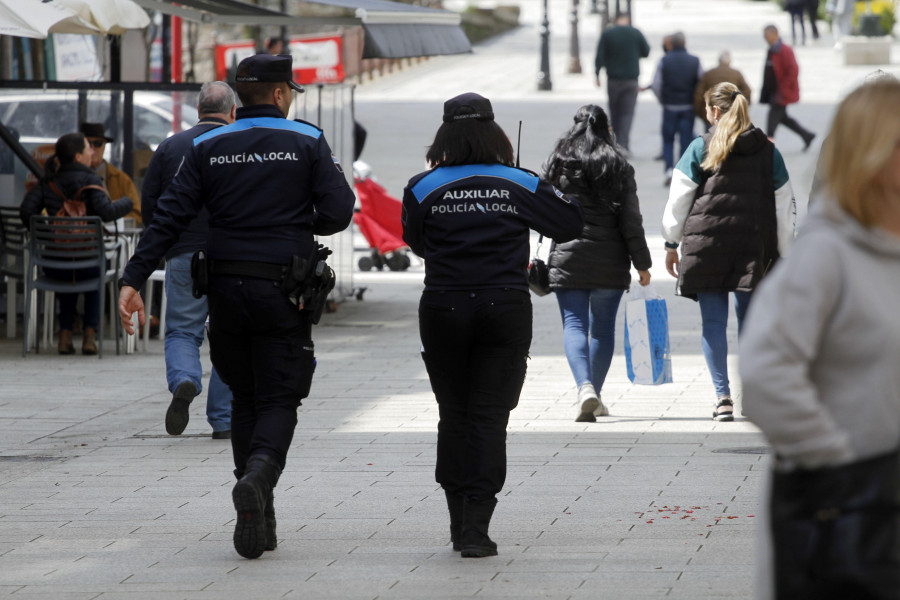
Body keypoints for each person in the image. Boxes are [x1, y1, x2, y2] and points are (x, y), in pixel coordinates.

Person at [117, 54, 355, 559]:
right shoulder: (307, 140)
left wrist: (133, 278)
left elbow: (168, 216)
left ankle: (259, 514)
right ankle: (260, 473)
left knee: (244, 398)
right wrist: (292, 218)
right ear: (279, 93)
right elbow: (337, 212)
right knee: (280, 397)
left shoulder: (205, 143)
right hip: (283, 290)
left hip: (223, 288)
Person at [401, 92, 584, 558]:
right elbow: (569, 222)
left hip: (443, 305)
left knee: (453, 414)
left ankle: (457, 519)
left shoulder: (422, 186)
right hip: (503, 305)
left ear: (444, 135)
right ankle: (476, 530)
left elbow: (415, 242)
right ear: (496, 133)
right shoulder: (517, 180)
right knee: (488, 417)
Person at [739, 79, 900, 600]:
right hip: (850, 520)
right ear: (873, 152)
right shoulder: (826, 254)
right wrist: (840, 464)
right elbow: (766, 375)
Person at [661, 82, 795, 422]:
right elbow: (784, 205)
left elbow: (678, 201)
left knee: (714, 323)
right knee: (751, 323)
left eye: (707, 110)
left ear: (715, 112)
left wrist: (671, 242)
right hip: (753, 247)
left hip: (707, 247)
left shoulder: (699, 147)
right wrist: (786, 252)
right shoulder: (767, 150)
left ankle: (723, 398)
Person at [542, 105, 652, 422]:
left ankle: (585, 388)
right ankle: (594, 396)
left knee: (575, 324)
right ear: (607, 129)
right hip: (610, 260)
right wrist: (642, 263)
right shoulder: (618, 165)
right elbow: (631, 220)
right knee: (602, 330)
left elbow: (542, 209)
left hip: (568, 256)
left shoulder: (557, 163)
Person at [141, 81, 235, 440]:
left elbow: (151, 204)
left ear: (197, 111)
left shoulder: (170, 146)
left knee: (182, 331)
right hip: (230, 257)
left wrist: (164, 246)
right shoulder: (237, 145)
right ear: (232, 112)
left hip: (183, 254)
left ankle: (185, 380)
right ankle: (224, 420)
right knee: (229, 336)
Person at [19, 132, 133, 355]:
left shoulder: (48, 181)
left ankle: (65, 334)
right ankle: (90, 335)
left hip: (53, 263)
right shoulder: (91, 180)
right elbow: (106, 212)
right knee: (96, 268)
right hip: (88, 263)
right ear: (79, 156)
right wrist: (127, 202)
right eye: (88, 148)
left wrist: (47, 234)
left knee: (68, 265)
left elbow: (26, 212)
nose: (92, 152)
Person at [649, 31, 703, 186]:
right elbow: (701, 82)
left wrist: (663, 100)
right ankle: (683, 170)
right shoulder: (695, 61)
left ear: (671, 44)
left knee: (668, 139)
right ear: (685, 43)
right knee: (685, 139)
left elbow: (656, 84)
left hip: (670, 106)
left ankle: (668, 169)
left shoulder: (664, 61)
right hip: (688, 106)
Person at [593, 14, 650, 154]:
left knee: (614, 112)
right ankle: (623, 144)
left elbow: (599, 56)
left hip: (613, 79)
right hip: (631, 80)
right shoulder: (635, 33)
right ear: (628, 21)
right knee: (627, 114)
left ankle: (613, 142)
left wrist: (597, 74)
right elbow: (646, 52)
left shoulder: (607, 34)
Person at [760, 25, 816, 151]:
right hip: (775, 91)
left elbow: (793, 71)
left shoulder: (785, 50)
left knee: (772, 119)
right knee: (783, 118)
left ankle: (768, 146)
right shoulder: (772, 50)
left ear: (774, 34)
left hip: (781, 93)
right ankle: (807, 135)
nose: (764, 38)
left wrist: (783, 90)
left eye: (766, 35)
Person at [79, 122, 142, 225]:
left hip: (114, 236)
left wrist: (112, 222)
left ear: (104, 146)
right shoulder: (70, 177)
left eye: (98, 143)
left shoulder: (121, 179)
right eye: (88, 144)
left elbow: (136, 214)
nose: (93, 148)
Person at [693, 51, 752, 129]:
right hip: (730, 113)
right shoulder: (736, 74)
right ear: (730, 61)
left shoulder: (708, 74)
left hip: (711, 113)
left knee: (710, 138)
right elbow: (747, 91)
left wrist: (700, 112)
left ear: (719, 60)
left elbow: (698, 94)